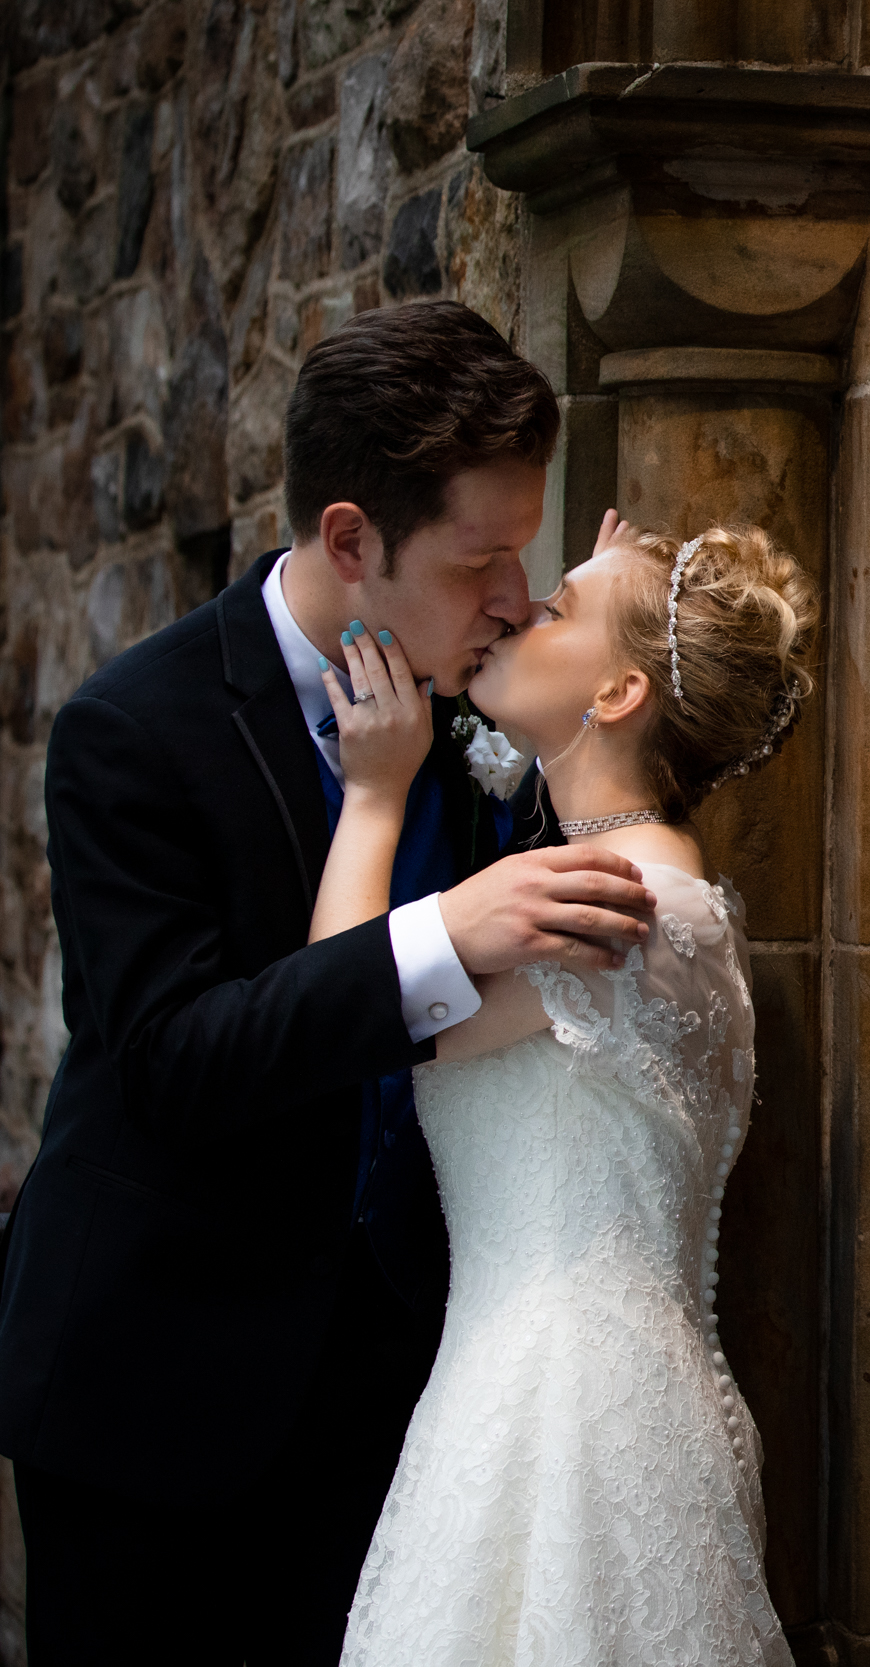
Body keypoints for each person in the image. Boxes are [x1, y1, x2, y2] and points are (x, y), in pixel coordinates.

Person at [0, 301, 661, 1663]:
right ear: (353, 540)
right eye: (479, 557)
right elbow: (175, 1063)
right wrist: (444, 934)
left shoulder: (491, 689)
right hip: (155, 1387)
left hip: (402, 1393)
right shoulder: (134, 730)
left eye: (524, 553)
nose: (511, 595)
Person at [325, 512, 814, 1664]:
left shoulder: (619, 906)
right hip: (558, 1397)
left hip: (560, 1426)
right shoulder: (641, 882)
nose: (515, 607)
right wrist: (608, 597)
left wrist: (374, 795)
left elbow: (336, 1011)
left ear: (616, 694)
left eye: (553, 607)